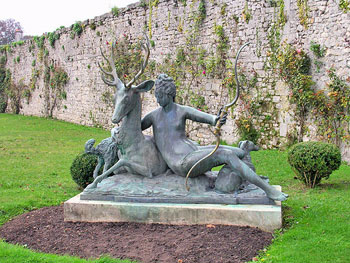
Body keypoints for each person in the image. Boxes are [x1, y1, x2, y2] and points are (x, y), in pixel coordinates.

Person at [141, 74, 288, 201]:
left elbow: (207, 118)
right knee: (226, 154)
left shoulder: (181, 110)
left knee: (239, 152)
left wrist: (216, 120)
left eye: (159, 96)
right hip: (183, 163)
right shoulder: (153, 116)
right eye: (156, 96)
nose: (157, 100)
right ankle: (268, 190)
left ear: (168, 94)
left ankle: (243, 167)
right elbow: (135, 129)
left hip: (194, 151)